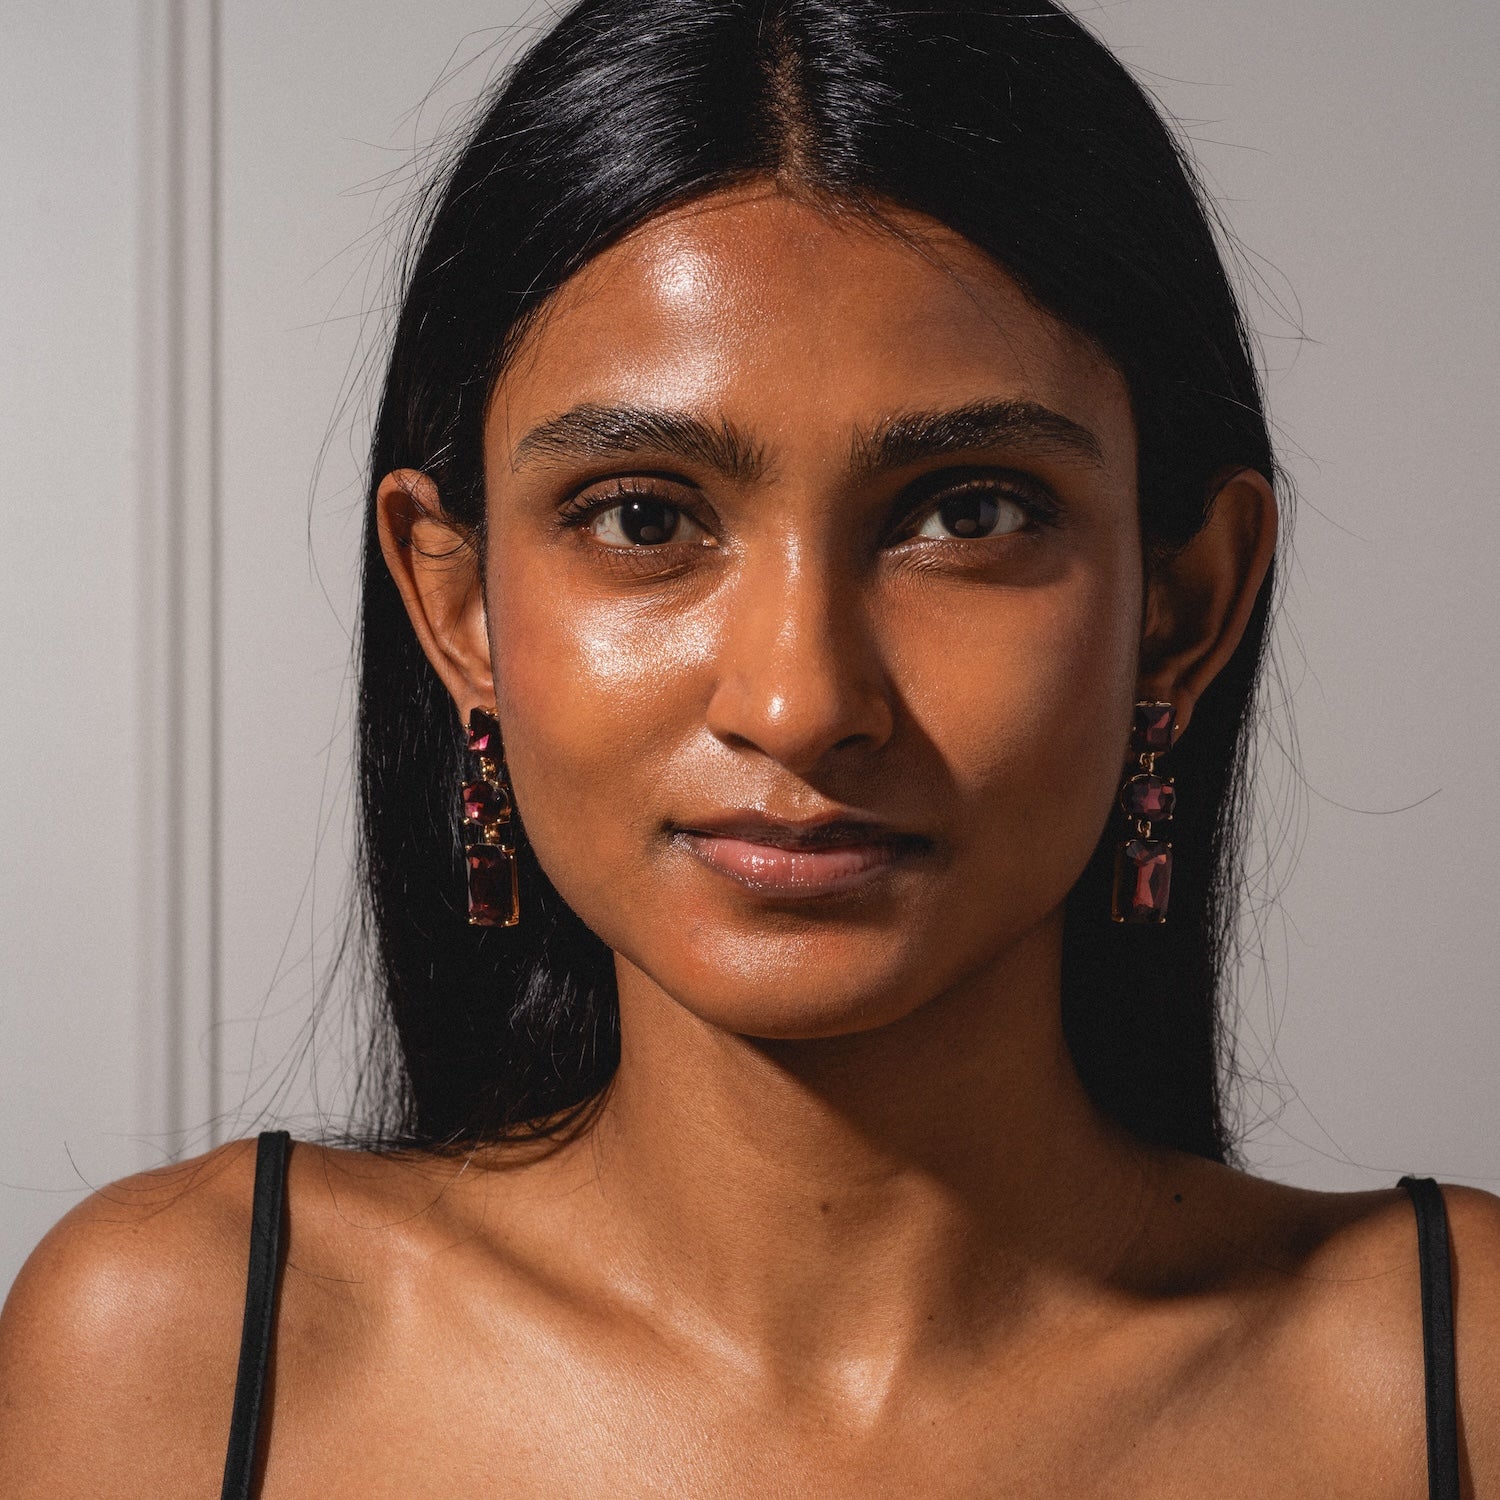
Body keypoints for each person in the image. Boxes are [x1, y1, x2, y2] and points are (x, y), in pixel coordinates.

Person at [2, 0, 1497, 1494]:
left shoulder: (1458, 1378)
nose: (799, 701)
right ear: (456, 609)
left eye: (967, 513)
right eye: (644, 517)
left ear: (1185, 603)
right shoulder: (182, 1363)